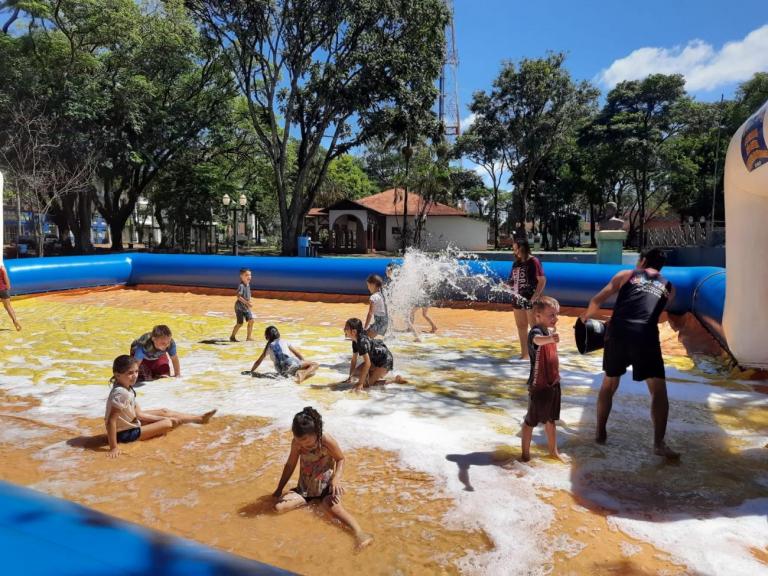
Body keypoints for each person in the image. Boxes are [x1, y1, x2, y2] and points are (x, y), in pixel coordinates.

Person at [580, 248, 679, 459]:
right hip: (646, 336)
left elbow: (598, 299)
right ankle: (659, 443)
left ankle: (600, 434)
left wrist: (584, 319)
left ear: (642, 261)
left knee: (609, 383)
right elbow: (650, 311)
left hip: (618, 334)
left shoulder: (626, 275)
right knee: (658, 390)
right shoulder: (670, 287)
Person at [272, 406, 373, 550]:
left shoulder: (326, 440)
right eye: (298, 440)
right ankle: (311, 503)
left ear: (316, 432)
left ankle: (360, 533)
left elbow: (341, 459)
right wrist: (279, 489)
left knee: (335, 511)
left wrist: (336, 479)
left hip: (325, 488)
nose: (302, 445)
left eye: (306, 441)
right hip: (305, 488)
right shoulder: (297, 443)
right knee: (278, 507)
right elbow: (290, 465)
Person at [105, 355, 216, 458]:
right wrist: (113, 447)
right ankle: (180, 420)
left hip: (132, 422)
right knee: (169, 424)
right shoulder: (121, 393)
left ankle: (199, 419)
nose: (135, 376)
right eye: (130, 373)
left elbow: (139, 414)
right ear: (117, 374)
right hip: (126, 434)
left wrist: (163, 418)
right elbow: (111, 420)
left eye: (136, 371)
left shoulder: (127, 387)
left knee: (164, 411)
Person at [520, 297, 568, 463]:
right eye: (551, 315)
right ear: (538, 316)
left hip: (552, 383)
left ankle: (553, 451)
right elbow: (536, 341)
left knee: (551, 420)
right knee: (530, 421)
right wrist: (550, 339)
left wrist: (551, 336)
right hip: (539, 385)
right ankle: (525, 455)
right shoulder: (536, 332)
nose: (555, 318)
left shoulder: (548, 331)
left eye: (556, 314)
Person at [343, 318, 406, 393]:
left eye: (346, 328)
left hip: (385, 360)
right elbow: (354, 360)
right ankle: (376, 375)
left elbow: (367, 363)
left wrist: (360, 383)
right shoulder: (355, 341)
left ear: (354, 331)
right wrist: (350, 377)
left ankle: (395, 380)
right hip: (375, 359)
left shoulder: (362, 343)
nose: (344, 329)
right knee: (355, 374)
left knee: (367, 385)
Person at [508, 239, 546, 359]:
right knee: (521, 326)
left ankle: (538, 355)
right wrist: (505, 285)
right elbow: (512, 281)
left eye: (516, 249)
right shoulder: (516, 264)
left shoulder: (533, 261)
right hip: (517, 298)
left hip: (530, 298)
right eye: (513, 249)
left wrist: (534, 298)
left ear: (523, 248)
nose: (514, 252)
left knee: (534, 327)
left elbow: (542, 280)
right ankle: (524, 355)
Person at [249, 325, 318, 383]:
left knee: (291, 371)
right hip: (290, 363)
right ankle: (303, 375)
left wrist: (251, 371)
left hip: (280, 369)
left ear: (267, 337)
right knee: (314, 364)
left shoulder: (268, 347)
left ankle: (297, 373)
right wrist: (303, 362)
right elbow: (297, 354)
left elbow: (258, 362)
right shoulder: (284, 341)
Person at [230, 268, 254, 342]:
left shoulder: (248, 284)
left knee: (251, 320)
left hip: (246, 307)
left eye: (250, 275)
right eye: (246, 275)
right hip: (239, 307)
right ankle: (232, 337)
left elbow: (248, 294)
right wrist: (247, 303)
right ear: (241, 276)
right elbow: (238, 296)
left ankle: (249, 337)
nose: (249, 276)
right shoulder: (241, 286)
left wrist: (250, 300)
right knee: (240, 323)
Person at [364, 274, 388, 338]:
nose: (368, 288)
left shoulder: (373, 297)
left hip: (379, 323)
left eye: (368, 285)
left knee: (364, 337)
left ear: (373, 285)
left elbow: (370, 313)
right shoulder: (381, 295)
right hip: (385, 322)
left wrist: (365, 327)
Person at [0, 263, 21, 331]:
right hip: (3, 289)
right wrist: (8, 287)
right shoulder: (2, 268)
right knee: (8, 306)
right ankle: (15, 321)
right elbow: (6, 278)